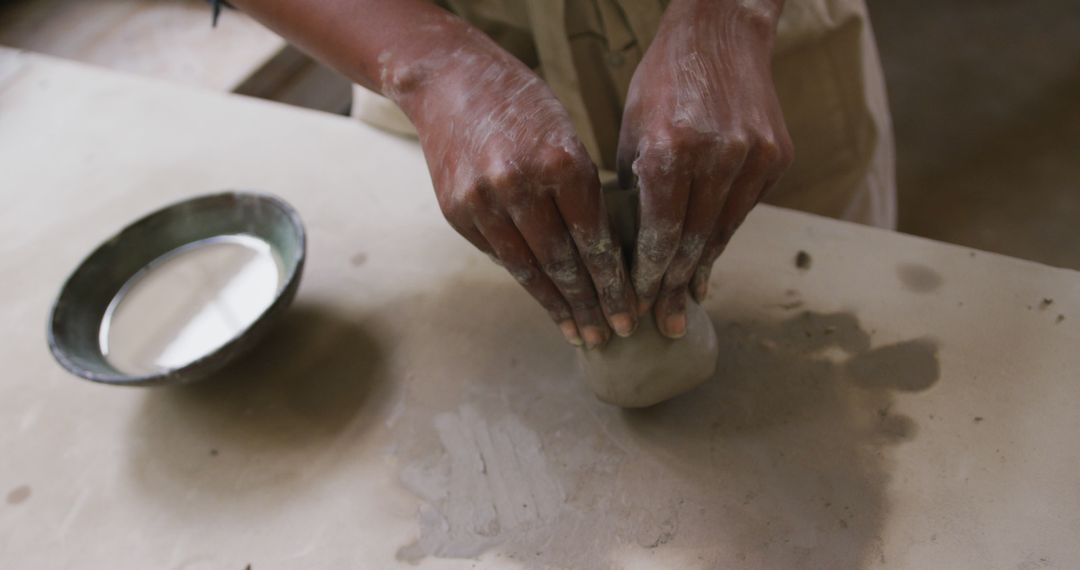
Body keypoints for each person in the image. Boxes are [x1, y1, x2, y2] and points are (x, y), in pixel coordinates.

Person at [221, 0, 895, 348]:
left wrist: (727, 19)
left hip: (746, 60)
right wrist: (426, 68)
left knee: (833, 334)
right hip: (414, 50)